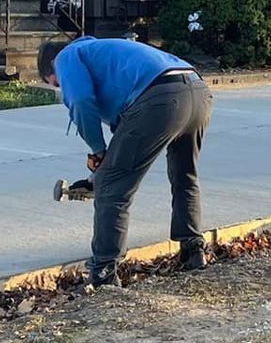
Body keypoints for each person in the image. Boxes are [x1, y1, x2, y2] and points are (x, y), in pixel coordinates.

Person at [38, 35, 213, 288]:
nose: (61, 88)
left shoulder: (66, 57)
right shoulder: (104, 54)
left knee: (114, 189)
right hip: (197, 92)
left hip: (160, 98)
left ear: (52, 66)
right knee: (184, 176)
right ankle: (193, 252)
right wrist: (101, 169)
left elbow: (80, 101)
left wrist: (99, 153)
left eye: (56, 84)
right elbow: (126, 131)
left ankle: (103, 272)